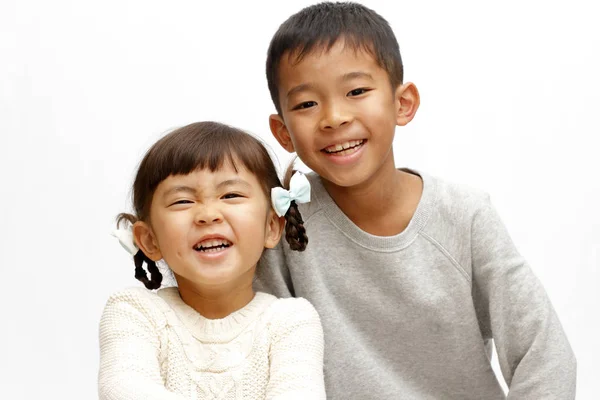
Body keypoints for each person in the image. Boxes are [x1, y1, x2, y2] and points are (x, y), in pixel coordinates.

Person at [255, 2, 576, 399]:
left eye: (356, 91)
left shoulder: (464, 215)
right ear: (282, 131)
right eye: (306, 104)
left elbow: (544, 354)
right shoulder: (280, 227)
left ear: (402, 103)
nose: (334, 117)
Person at [98, 121, 326, 399]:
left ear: (271, 227)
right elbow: (123, 388)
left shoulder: (291, 322)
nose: (208, 214)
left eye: (231, 195)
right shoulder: (135, 313)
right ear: (149, 240)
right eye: (182, 201)